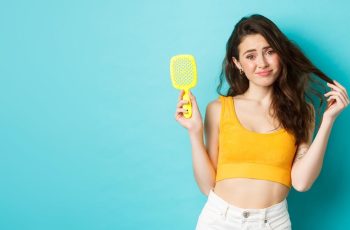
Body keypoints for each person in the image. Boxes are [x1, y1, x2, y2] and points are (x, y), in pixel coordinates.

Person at [174, 14, 349, 230]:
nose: (262, 63)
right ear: (237, 63)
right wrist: (194, 132)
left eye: (269, 51)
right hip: (219, 220)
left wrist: (328, 121)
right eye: (250, 56)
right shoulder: (218, 109)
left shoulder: (303, 111)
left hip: (273, 223)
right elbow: (207, 185)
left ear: (280, 55)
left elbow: (302, 183)